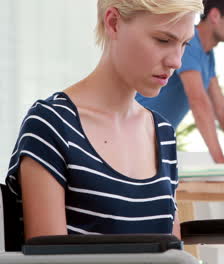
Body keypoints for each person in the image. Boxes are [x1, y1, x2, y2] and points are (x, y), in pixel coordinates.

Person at [3, 0, 203, 249]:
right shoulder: (52, 125)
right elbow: (48, 260)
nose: (176, 61)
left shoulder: (162, 133)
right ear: (113, 22)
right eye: (163, 40)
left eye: (184, 44)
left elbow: (172, 253)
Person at [136, 0, 224, 163]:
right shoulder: (189, 42)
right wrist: (219, 158)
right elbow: (198, 101)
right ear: (215, 16)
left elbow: (220, 106)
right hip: (135, 134)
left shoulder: (207, 53)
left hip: (152, 141)